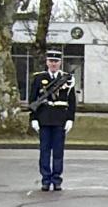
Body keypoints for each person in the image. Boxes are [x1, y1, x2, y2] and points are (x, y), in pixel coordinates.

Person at [29, 50, 76, 191]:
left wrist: (70, 119)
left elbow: (71, 101)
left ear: (60, 62)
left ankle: (57, 179)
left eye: (56, 61)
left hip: (60, 119)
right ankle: (45, 179)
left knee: (58, 152)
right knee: (44, 151)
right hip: (44, 118)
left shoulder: (67, 79)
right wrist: (34, 118)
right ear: (47, 62)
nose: (53, 64)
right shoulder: (39, 78)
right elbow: (33, 100)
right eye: (51, 61)